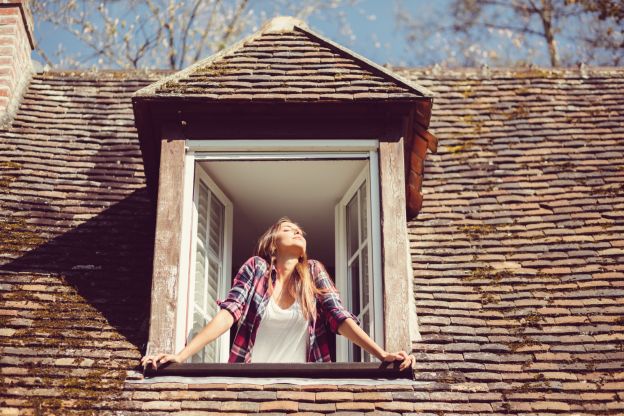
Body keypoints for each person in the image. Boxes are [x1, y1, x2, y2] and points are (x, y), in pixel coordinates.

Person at [141, 217, 414, 371]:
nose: (297, 231)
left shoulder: (314, 272)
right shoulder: (256, 269)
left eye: (300, 231)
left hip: (302, 392)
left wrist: (382, 354)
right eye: (288, 229)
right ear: (273, 244)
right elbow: (228, 315)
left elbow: (339, 318)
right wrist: (181, 356)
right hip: (251, 387)